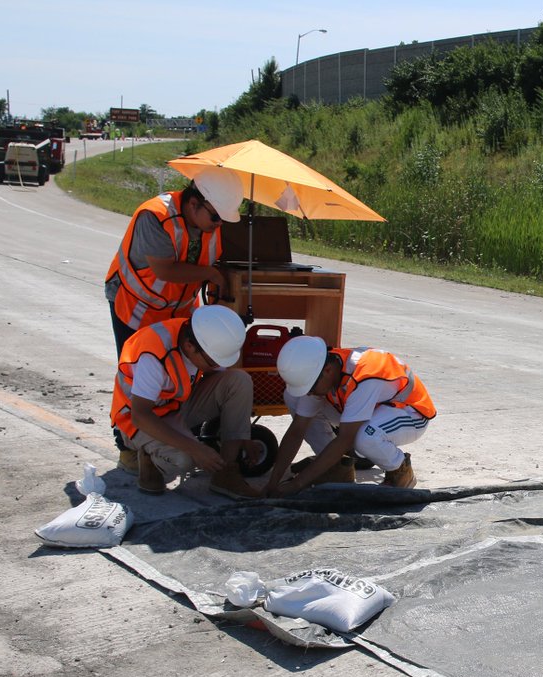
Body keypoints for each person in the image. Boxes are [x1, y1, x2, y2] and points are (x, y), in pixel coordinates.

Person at [105, 168, 243, 473]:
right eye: (215, 218)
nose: (218, 225)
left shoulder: (209, 222)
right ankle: (128, 444)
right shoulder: (154, 217)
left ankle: (171, 433)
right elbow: (165, 271)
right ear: (195, 203)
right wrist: (209, 274)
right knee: (136, 381)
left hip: (177, 311)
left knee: (180, 375)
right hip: (136, 307)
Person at [110, 304, 261, 499]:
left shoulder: (203, 338)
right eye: (213, 362)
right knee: (186, 460)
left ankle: (226, 473)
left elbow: (222, 381)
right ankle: (149, 460)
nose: (217, 366)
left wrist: (243, 437)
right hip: (138, 421)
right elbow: (140, 416)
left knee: (239, 381)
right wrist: (195, 448)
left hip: (174, 407)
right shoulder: (153, 354)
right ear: (190, 347)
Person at [265, 336, 436, 496]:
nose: (309, 393)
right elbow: (297, 430)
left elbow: (345, 438)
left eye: (310, 388)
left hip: (410, 415)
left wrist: (297, 484)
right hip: (373, 409)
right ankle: (336, 468)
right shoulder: (324, 370)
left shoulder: (365, 375)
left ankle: (400, 470)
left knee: (364, 436)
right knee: (295, 398)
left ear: (328, 370)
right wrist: (273, 483)